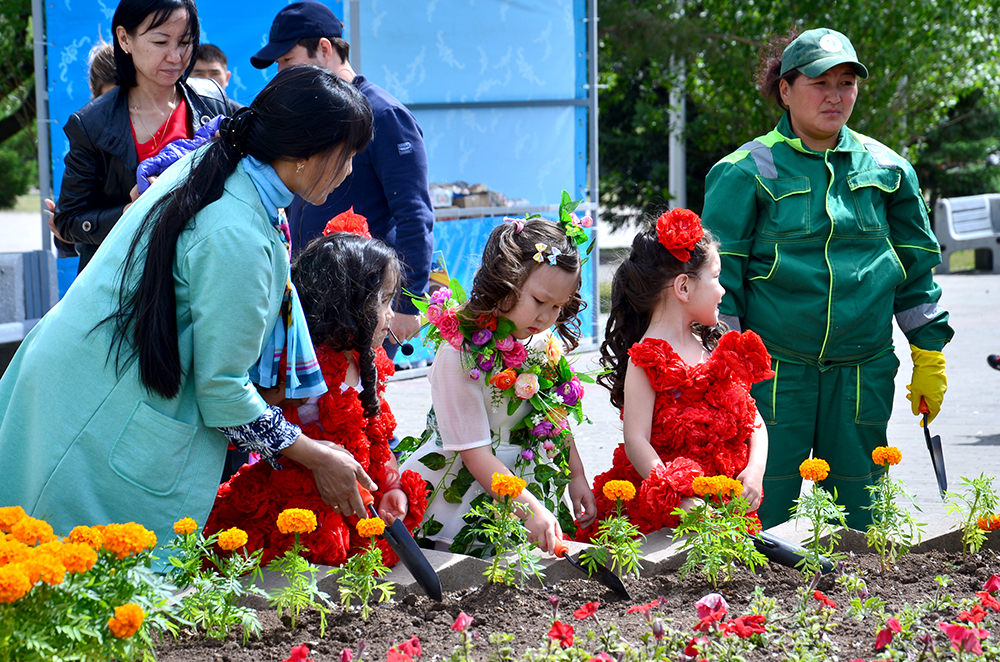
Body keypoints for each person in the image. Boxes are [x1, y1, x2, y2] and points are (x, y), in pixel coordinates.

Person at [0, 65, 378, 555]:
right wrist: (316, 457)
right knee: (69, 584)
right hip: (96, 408)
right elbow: (223, 393)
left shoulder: (224, 168)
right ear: (304, 151)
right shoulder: (236, 232)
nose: (348, 171)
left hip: (73, 378)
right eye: (346, 156)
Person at [701, 28, 953, 530]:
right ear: (785, 89)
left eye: (846, 83)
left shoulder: (889, 169)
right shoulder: (744, 170)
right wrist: (724, 370)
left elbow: (916, 271)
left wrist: (929, 354)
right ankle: (751, 610)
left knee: (862, 525)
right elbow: (718, 286)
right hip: (773, 378)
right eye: (819, 82)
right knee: (759, 521)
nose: (835, 96)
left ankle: (855, 611)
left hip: (863, 374)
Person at [204, 219, 428, 566]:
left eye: (389, 301)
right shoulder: (299, 370)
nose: (388, 316)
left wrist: (391, 484)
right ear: (344, 304)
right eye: (381, 302)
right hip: (298, 502)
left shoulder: (368, 361)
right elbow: (251, 426)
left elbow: (378, 436)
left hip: (352, 498)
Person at [400, 215, 596, 556]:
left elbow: (554, 416)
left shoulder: (543, 342)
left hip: (524, 480)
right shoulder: (460, 353)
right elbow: (474, 453)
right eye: (539, 301)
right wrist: (530, 508)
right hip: (464, 486)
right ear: (507, 280)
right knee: (473, 574)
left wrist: (576, 475)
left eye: (557, 307)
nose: (547, 317)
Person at [251, 1, 435, 358]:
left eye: (288, 61)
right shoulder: (316, 115)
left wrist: (408, 305)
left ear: (324, 49)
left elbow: (415, 215)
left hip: (363, 301)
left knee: (356, 406)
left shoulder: (384, 114)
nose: (282, 73)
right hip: (314, 299)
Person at [576, 209, 772, 538]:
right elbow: (636, 440)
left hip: (723, 506)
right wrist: (679, 498)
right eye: (716, 277)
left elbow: (754, 421)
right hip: (666, 514)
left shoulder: (714, 349)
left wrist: (755, 470)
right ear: (683, 286)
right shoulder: (647, 359)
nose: (723, 290)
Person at [51, 0, 236, 273]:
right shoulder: (91, 124)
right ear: (125, 39)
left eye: (185, 42)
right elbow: (68, 220)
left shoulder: (211, 99)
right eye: (161, 42)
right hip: (126, 287)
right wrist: (129, 213)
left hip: (205, 276)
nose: (175, 57)